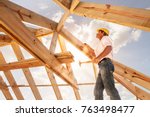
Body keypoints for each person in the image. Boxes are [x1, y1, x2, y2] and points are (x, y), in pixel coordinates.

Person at [92, 28, 121, 100]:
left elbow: (109, 48)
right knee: (97, 91)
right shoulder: (100, 43)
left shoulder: (105, 38)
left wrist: (98, 58)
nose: (96, 33)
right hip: (102, 65)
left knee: (109, 88)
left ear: (102, 32)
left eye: (98, 32)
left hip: (105, 64)